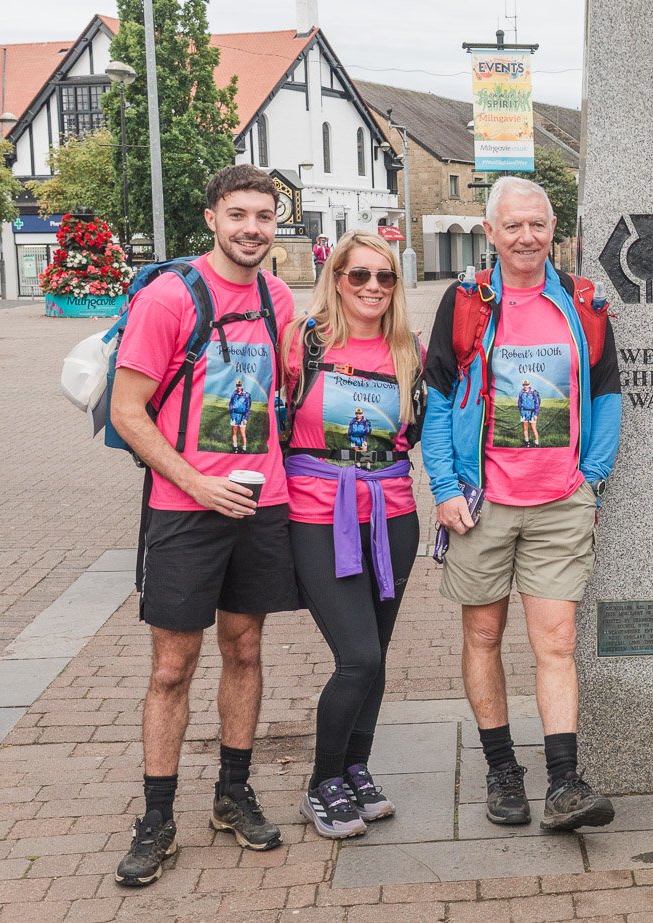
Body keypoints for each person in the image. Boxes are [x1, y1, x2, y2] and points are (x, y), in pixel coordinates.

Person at [108, 164, 299, 887]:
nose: (253, 227)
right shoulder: (168, 298)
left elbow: (287, 390)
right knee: (171, 665)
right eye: (239, 214)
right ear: (213, 216)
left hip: (260, 502)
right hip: (186, 507)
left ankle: (233, 792)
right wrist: (196, 481)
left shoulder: (280, 297)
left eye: (265, 215)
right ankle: (157, 819)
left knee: (245, 648)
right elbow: (130, 412)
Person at [422, 176, 622, 832]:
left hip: (560, 500)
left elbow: (607, 396)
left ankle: (564, 781)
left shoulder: (583, 302)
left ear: (553, 226)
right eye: (513, 226)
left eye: (537, 223)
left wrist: (590, 478)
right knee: (482, 633)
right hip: (484, 501)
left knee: (556, 640)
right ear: (491, 233)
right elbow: (441, 398)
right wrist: (447, 488)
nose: (527, 236)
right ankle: (502, 767)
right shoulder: (465, 303)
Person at [282, 233, 422, 839]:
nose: (372, 287)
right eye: (359, 275)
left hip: (392, 514)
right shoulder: (302, 341)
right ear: (336, 276)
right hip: (317, 512)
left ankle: (356, 768)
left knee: (377, 657)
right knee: (356, 656)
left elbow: (417, 431)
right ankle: (323, 781)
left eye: (384, 277)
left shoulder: (408, 349)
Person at [229, 379, 253, 452]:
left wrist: (246, 418)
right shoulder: (234, 394)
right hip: (235, 416)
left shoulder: (246, 395)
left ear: (242, 386)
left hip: (242, 416)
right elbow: (230, 404)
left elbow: (248, 407)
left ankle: (244, 448)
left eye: (239, 385)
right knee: (234, 431)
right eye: (237, 385)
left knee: (243, 433)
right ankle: (235, 447)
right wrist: (232, 414)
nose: (238, 387)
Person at [518, 379, 542, 447]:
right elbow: (519, 403)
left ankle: (536, 443)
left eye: (527, 384)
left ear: (529, 385)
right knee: (525, 428)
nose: (525, 386)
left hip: (532, 413)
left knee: (533, 428)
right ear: (522, 385)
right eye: (524, 385)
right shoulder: (521, 393)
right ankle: (527, 442)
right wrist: (521, 412)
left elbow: (537, 404)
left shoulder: (533, 392)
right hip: (524, 412)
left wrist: (536, 414)